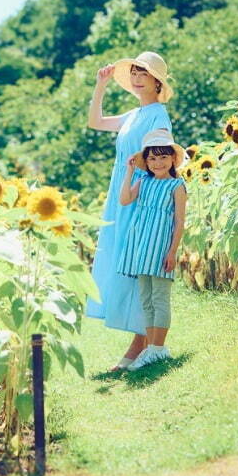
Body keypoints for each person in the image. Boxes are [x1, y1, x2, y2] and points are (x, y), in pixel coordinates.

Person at [86, 50, 174, 371]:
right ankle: (142, 342)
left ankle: (142, 344)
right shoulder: (134, 114)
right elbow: (95, 122)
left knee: (137, 264)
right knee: (121, 258)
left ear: (156, 82)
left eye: (143, 74)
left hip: (140, 197)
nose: (137, 78)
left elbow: (162, 161)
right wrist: (101, 86)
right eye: (134, 73)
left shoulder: (158, 116)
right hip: (120, 193)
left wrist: (148, 198)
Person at [116, 130, 187, 370]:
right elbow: (124, 200)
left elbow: (179, 221)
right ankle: (150, 349)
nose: (158, 163)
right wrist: (129, 171)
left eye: (163, 157)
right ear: (145, 162)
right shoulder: (143, 181)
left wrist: (172, 252)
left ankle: (158, 348)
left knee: (159, 297)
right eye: (153, 158)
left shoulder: (177, 185)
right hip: (141, 246)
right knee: (145, 299)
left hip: (160, 247)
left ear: (172, 159)